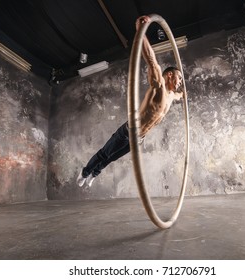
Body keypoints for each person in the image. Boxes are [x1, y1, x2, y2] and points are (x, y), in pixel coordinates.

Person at [76, 15, 185, 188]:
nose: (180, 82)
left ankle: (94, 174)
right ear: (170, 74)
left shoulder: (172, 95)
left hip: (139, 138)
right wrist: (140, 30)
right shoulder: (159, 86)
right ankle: (85, 172)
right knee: (105, 154)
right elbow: (151, 59)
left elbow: (180, 95)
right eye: (179, 78)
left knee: (111, 158)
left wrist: (183, 95)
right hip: (128, 132)